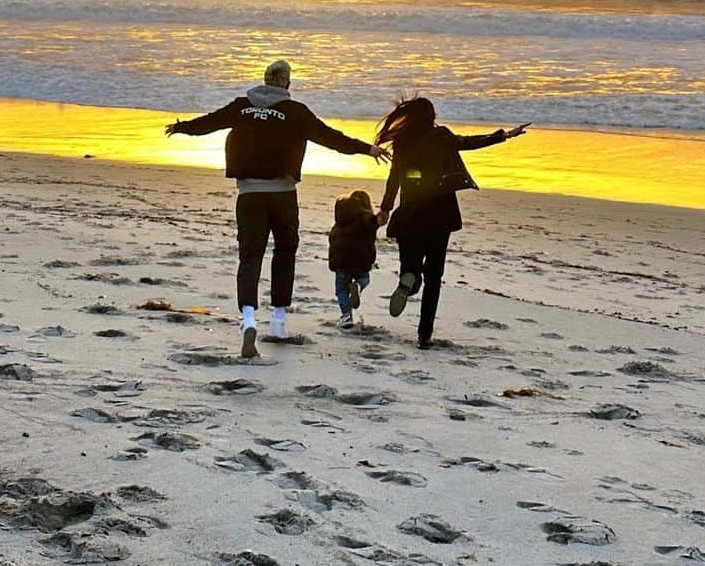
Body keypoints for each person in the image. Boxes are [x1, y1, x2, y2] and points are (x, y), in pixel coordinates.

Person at [166, 60, 387, 358]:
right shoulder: (296, 112)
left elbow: (209, 123)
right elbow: (332, 138)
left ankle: (247, 320)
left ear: (264, 80)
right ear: (287, 84)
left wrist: (181, 127)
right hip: (283, 196)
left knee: (250, 256)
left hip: (249, 195)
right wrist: (367, 149)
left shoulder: (241, 106)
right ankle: (278, 322)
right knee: (285, 253)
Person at [375, 97, 527, 348]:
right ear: (432, 117)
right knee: (434, 276)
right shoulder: (442, 137)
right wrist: (505, 135)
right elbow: (469, 143)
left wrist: (385, 208)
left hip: (410, 213)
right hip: (440, 213)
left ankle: (408, 280)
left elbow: (395, 179)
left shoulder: (402, 142)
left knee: (410, 266)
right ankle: (424, 336)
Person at [328, 189, 384, 330]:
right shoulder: (365, 216)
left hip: (341, 260)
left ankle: (346, 316)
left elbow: (333, 238)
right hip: (360, 259)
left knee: (341, 289)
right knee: (364, 279)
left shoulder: (341, 217)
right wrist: (378, 219)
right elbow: (371, 222)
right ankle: (358, 286)